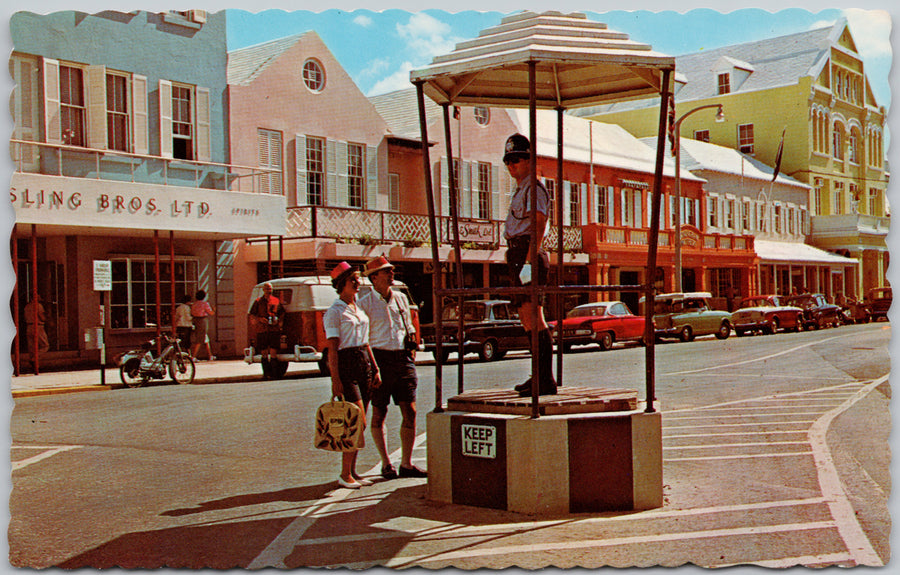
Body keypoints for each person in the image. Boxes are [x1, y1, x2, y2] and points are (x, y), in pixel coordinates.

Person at [358, 255, 427, 480]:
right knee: (380, 412)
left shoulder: (400, 298)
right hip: (379, 359)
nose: (391, 274)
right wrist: (372, 367)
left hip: (403, 358)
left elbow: (408, 325)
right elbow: (364, 339)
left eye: (391, 270)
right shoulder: (364, 304)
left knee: (411, 410)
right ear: (373, 278)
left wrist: (412, 347)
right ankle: (386, 463)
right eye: (386, 271)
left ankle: (406, 463)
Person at [503, 133, 557, 397]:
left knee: (535, 317)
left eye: (517, 159)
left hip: (527, 252)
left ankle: (545, 379)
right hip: (517, 253)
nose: (512, 165)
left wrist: (528, 261)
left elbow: (538, 224)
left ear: (529, 160)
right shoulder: (521, 188)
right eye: (508, 161)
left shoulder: (535, 188)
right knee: (526, 318)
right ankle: (538, 375)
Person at [323, 261, 381, 489]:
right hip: (346, 367)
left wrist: (375, 368)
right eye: (352, 280)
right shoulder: (334, 312)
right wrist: (335, 380)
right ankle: (344, 473)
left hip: (363, 364)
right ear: (341, 284)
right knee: (356, 421)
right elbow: (333, 349)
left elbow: (366, 343)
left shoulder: (358, 309)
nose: (357, 282)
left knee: (360, 423)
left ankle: (352, 471)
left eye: (357, 278)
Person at [249, 282, 285, 361]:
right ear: (263, 290)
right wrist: (260, 319)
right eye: (267, 289)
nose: (269, 290)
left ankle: (274, 372)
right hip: (262, 330)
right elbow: (252, 315)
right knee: (264, 352)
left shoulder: (276, 300)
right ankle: (266, 372)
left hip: (274, 329)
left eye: (270, 289)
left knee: (273, 351)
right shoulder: (258, 301)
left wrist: (278, 321)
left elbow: (282, 313)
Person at [191, 290, 216, 360]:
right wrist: (214, 310)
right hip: (202, 320)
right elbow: (211, 313)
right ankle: (193, 356)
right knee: (200, 338)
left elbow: (192, 313)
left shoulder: (194, 304)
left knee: (205, 337)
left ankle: (210, 355)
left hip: (196, 320)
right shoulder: (205, 304)